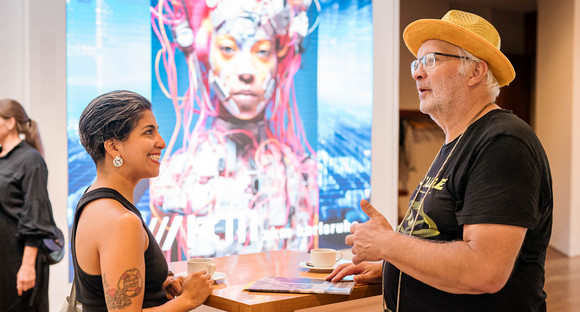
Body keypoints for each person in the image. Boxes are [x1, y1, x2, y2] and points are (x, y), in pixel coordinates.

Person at [327, 10, 553, 312]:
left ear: (475, 72)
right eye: (416, 63)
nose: (417, 73)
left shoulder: (503, 143)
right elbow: (442, 238)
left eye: (431, 60)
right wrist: (393, 267)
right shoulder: (458, 140)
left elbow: (484, 271)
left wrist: (388, 244)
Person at [150, 0, 318, 257]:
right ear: (206, 56)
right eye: (228, 48)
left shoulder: (300, 175)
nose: (246, 72)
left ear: (278, 58)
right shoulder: (173, 178)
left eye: (261, 52)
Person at [72, 90, 213, 311]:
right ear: (114, 147)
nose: (162, 142)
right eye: (148, 132)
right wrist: (189, 299)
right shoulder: (120, 221)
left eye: (157, 131)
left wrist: (158, 284)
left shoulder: (94, 202)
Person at [0, 99, 55, 311]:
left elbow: (37, 215)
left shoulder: (31, 160)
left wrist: (27, 266)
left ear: (10, 123)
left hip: (19, 261)